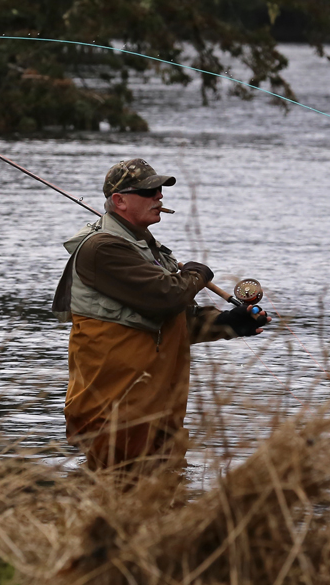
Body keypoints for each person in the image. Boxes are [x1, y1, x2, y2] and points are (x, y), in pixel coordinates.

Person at [52, 158, 269, 471]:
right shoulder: (102, 249)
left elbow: (173, 322)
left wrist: (230, 323)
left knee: (163, 502)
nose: (159, 197)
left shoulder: (148, 251)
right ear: (119, 201)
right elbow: (168, 298)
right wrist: (198, 272)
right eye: (149, 191)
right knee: (113, 499)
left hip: (158, 412)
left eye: (160, 190)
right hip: (116, 412)